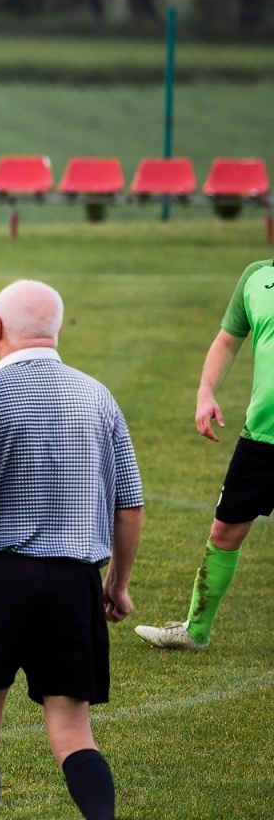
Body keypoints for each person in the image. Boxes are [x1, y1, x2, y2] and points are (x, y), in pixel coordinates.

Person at [0, 280, 142, 820]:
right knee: (73, 735)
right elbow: (129, 505)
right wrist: (116, 584)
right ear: (57, 330)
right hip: (72, 581)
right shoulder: (99, 397)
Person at [134, 256, 274, 651]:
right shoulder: (258, 276)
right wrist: (205, 392)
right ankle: (196, 631)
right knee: (224, 531)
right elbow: (227, 340)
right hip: (262, 435)